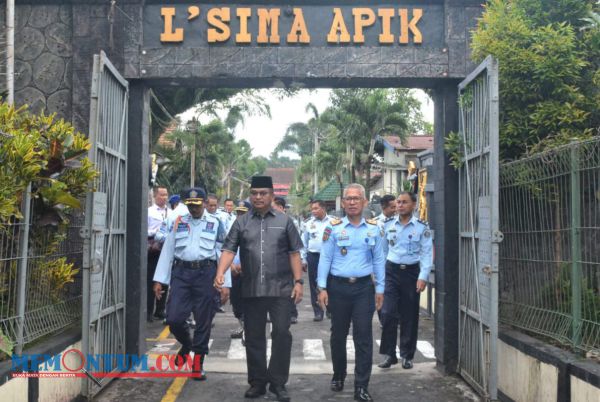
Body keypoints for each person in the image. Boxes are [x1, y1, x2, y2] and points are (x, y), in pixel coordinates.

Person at [214, 176, 304, 402]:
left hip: (281, 290)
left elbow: (294, 253)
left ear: (272, 195)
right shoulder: (241, 222)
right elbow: (228, 250)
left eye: (263, 193)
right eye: (254, 193)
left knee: (282, 334)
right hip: (252, 289)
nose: (258, 197)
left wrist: (299, 282)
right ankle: (257, 383)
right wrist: (220, 273)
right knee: (254, 338)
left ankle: (278, 383)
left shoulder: (285, 221)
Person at [152, 188, 230, 380]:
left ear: (204, 203)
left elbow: (224, 252)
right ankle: (187, 344)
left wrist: (225, 282)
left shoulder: (216, 223)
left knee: (203, 320)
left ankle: (198, 364)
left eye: (197, 205)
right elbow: (168, 250)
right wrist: (159, 280)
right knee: (174, 319)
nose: (193, 209)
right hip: (181, 274)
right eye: (190, 205)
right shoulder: (179, 222)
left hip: (206, 274)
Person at [317, 183, 385, 402]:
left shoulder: (375, 228)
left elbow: (379, 260)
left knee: (363, 336)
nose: (353, 202)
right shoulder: (333, 228)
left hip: (364, 288)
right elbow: (325, 258)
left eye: (357, 198)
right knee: (338, 334)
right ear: (343, 202)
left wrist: (380, 289)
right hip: (338, 288)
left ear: (364, 202)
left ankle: (361, 386)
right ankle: (338, 375)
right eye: (349, 199)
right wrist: (322, 287)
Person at [378, 191, 433, 370]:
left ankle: (407, 355)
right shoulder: (387, 225)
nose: (400, 205)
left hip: (411, 273)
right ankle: (389, 354)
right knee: (387, 313)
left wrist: (423, 277)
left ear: (414, 205)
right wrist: (381, 274)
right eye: (398, 202)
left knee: (409, 315)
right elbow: (383, 251)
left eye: (404, 202)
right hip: (391, 272)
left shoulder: (421, 227)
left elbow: (426, 253)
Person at [301, 199, 332, 322]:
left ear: (323, 208)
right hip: (313, 256)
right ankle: (318, 311)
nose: (313, 211)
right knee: (314, 285)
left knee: (330, 283)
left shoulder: (333, 222)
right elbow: (304, 243)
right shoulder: (308, 224)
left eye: (315, 208)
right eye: (312, 209)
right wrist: (303, 259)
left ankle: (330, 309)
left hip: (329, 257)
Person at [272, 196, 299, 325]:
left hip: (288, 261)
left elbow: (296, 247)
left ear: (281, 208)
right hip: (274, 262)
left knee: (289, 288)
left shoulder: (289, 222)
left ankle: (292, 313)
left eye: (274, 207)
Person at [229, 200, 251, 340]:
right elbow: (226, 249)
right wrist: (230, 266)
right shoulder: (233, 228)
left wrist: (244, 265)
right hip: (234, 272)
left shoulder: (255, 229)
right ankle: (242, 327)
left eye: (243, 213)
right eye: (238, 213)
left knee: (248, 304)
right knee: (236, 303)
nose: (240, 215)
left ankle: (247, 331)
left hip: (249, 273)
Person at [147, 186, 169, 322]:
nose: (164, 197)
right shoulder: (149, 212)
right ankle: (148, 311)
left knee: (165, 281)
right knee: (151, 280)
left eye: (166, 195)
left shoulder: (171, 212)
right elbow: (145, 230)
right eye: (161, 195)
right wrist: (156, 233)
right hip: (153, 251)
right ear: (155, 196)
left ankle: (160, 310)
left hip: (166, 251)